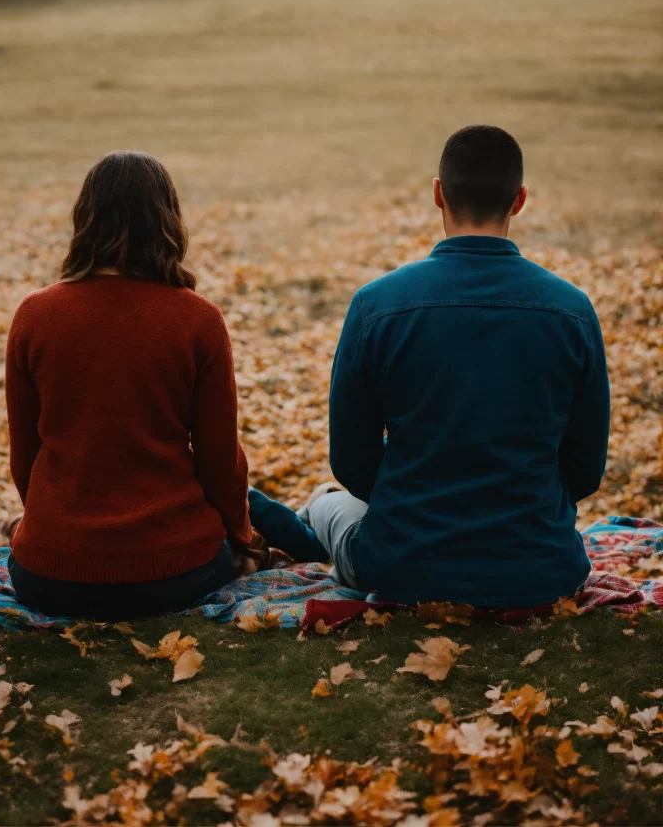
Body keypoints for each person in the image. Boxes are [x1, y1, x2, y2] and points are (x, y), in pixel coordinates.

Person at [249, 126, 611, 608]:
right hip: (541, 570)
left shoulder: (376, 306)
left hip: (403, 568)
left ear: (438, 194)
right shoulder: (573, 311)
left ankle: (306, 523)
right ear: (519, 200)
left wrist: (416, 501)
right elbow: (585, 468)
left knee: (324, 499)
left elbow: (351, 459)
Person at [4, 151, 267, 620]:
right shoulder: (198, 320)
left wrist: (57, 532)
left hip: (47, 579)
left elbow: (24, 457)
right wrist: (240, 541)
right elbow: (219, 458)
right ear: (167, 220)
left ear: (85, 219)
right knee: (261, 513)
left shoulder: (34, 316)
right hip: (173, 572)